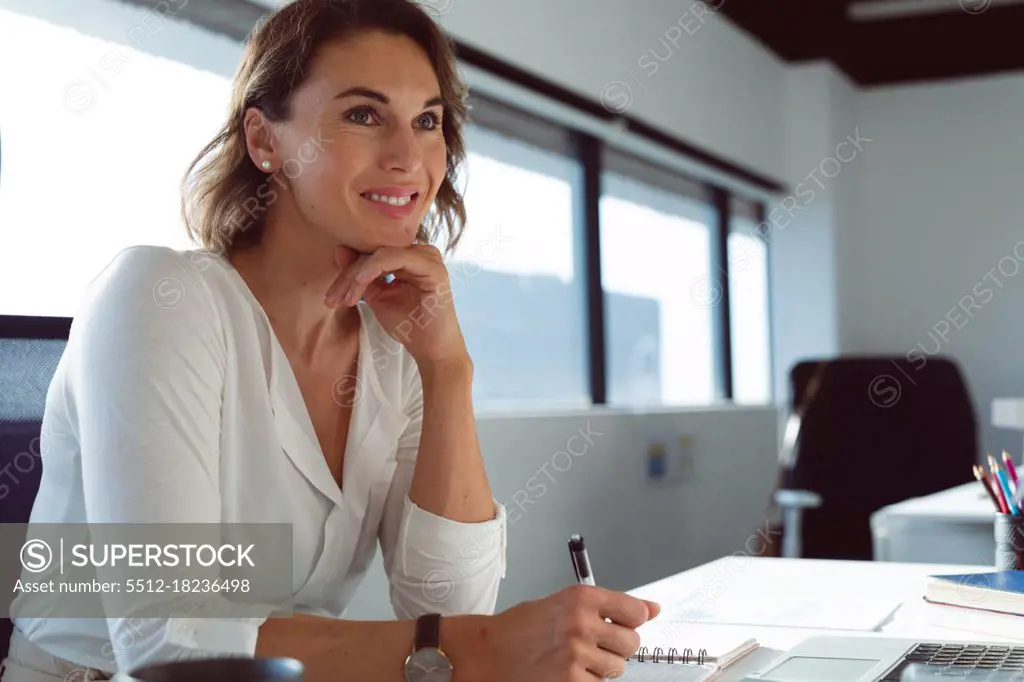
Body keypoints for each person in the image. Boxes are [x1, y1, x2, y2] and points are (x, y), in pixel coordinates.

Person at [0, 1, 662, 681]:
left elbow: (450, 606)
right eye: (363, 114)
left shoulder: (395, 347)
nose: (409, 157)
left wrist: (446, 369)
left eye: (427, 121)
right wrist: (483, 647)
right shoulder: (159, 296)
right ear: (265, 141)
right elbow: (169, 639)